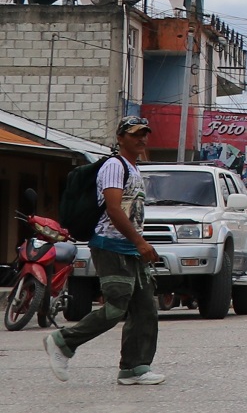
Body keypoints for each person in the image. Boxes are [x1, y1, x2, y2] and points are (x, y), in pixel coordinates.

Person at [44, 116, 164, 385]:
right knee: (115, 308)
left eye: (145, 133)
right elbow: (113, 209)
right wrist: (139, 242)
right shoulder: (114, 165)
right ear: (120, 138)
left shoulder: (134, 168)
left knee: (145, 309)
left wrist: (140, 244)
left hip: (131, 249)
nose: (141, 138)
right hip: (111, 247)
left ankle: (135, 368)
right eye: (134, 134)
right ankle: (63, 342)